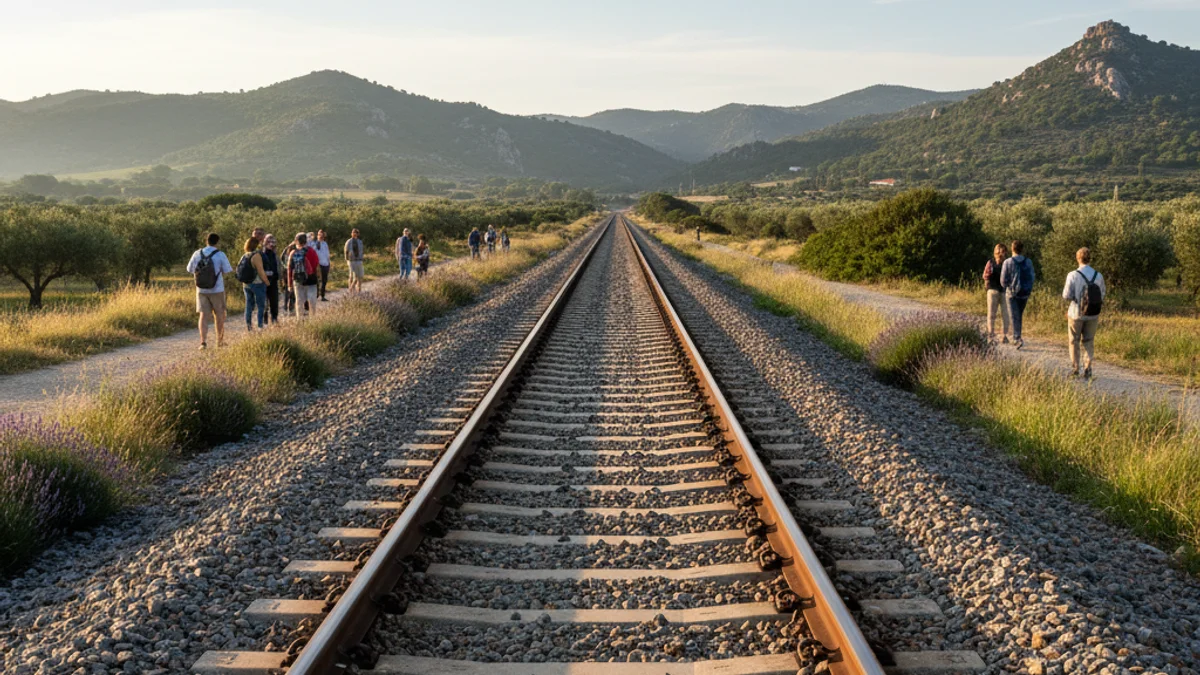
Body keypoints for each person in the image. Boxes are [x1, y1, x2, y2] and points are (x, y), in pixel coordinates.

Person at [1062, 247, 1106, 379]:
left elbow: (1066, 295)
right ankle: (1088, 368)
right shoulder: (1098, 275)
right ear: (1090, 258)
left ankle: (1075, 368)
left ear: (1077, 258)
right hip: (1093, 314)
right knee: (1089, 340)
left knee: (1074, 340)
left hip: (1076, 313)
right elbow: (1102, 294)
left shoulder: (1073, 275)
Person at [186, 232, 233, 350]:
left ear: (206, 241)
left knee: (203, 315)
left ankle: (203, 342)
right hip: (217, 289)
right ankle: (219, 341)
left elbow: (189, 269)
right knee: (219, 315)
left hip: (201, 289)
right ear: (217, 242)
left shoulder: (197, 253)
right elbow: (227, 270)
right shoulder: (220, 254)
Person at [1001, 239, 1036, 350]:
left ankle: (1017, 338)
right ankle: (1018, 336)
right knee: (1018, 315)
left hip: (1012, 293)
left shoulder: (1008, 262)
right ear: (1022, 249)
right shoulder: (1028, 262)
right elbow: (1032, 277)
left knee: (1013, 315)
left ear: (1012, 248)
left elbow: (1002, 281)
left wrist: (1008, 286)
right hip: (1024, 293)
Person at [238, 237, 269, 330]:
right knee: (261, 306)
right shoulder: (256, 256)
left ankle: (249, 326)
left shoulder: (244, 255)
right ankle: (260, 326)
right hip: (257, 283)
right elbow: (260, 271)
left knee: (249, 305)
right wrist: (267, 282)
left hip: (246, 284)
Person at [982, 243, 1011, 344]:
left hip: (992, 290)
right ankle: (1004, 336)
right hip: (1004, 291)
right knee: (1005, 315)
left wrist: (987, 287)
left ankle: (991, 336)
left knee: (991, 315)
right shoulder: (1008, 263)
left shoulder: (990, 262)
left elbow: (985, 276)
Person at [289, 232, 321, 318]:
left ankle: (300, 319)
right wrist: (318, 277)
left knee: (299, 300)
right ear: (306, 241)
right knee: (312, 300)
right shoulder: (311, 250)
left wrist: (289, 284)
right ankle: (312, 318)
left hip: (298, 280)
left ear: (296, 241)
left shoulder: (293, 252)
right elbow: (316, 266)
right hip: (311, 279)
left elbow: (290, 268)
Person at [261, 234, 281, 324]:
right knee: (264, 302)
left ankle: (274, 319)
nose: (271, 244)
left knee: (274, 302)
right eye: (269, 242)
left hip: (273, 281)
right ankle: (265, 320)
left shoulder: (275, 254)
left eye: (273, 242)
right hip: (264, 281)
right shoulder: (262, 254)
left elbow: (278, 267)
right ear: (265, 243)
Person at [313, 229, 332, 301]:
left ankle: (322, 295)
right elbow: (315, 254)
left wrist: (329, 262)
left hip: (326, 264)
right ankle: (316, 294)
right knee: (317, 280)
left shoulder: (325, 244)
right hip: (319, 264)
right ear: (317, 235)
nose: (321, 236)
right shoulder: (315, 244)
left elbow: (327, 254)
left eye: (322, 235)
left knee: (324, 280)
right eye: (319, 234)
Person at [280, 239, 298, 315]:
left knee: (287, 291)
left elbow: (281, 258)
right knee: (293, 291)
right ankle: (291, 308)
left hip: (285, 273)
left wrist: (285, 267)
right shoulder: (295, 252)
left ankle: (285, 307)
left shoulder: (286, 251)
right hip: (292, 273)